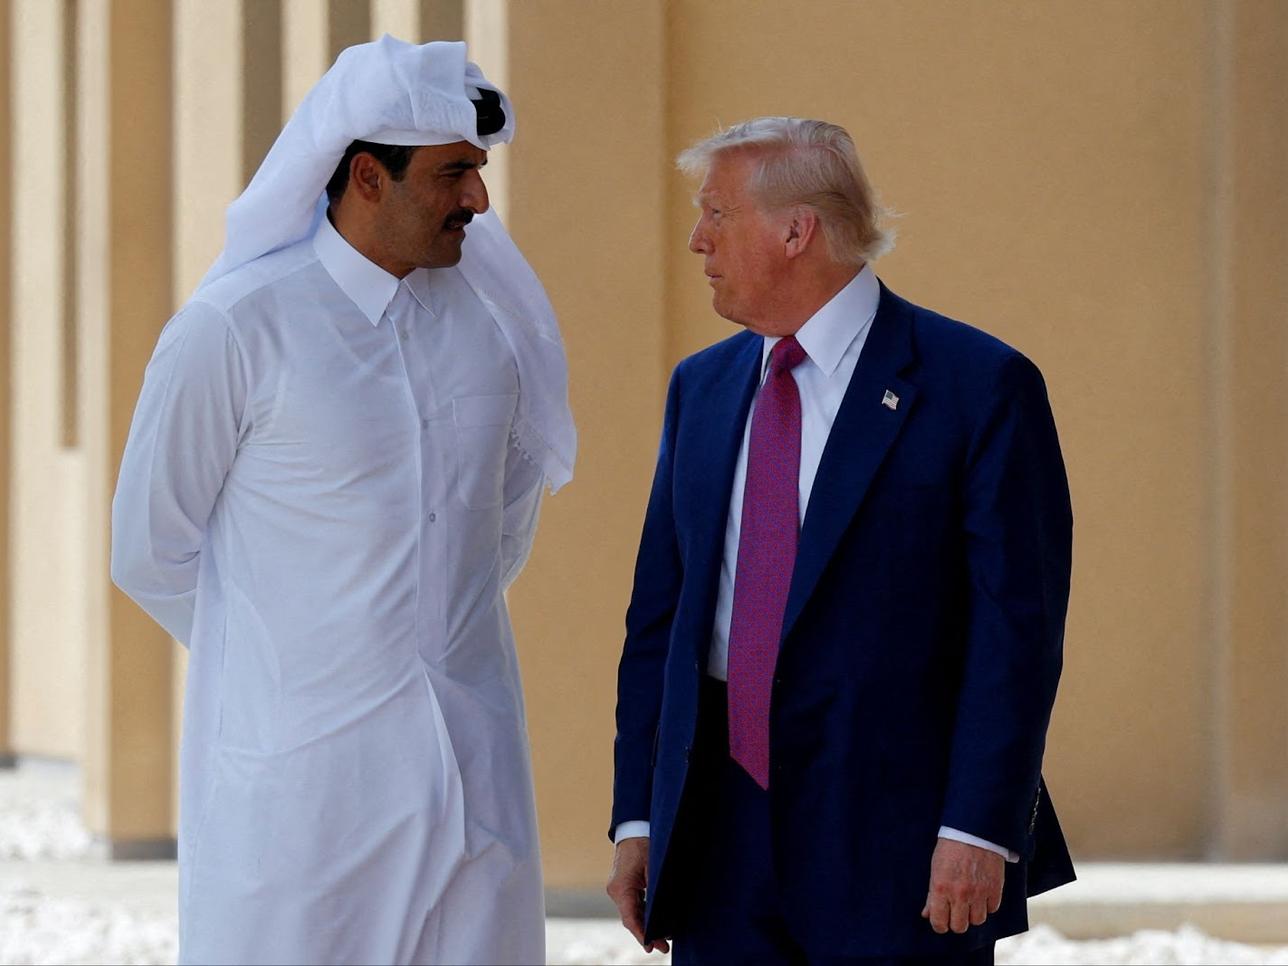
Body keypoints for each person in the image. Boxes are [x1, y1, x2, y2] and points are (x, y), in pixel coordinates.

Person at [111, 37, 574, 966]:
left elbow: (500, 529)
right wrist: (293, 663)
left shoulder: (490, 331)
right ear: (367, 176)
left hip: (471, 785)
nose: (479, 201)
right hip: (304, 807)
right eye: (452, 175)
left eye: (478, 172)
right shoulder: (236, 328)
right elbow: (149, 552)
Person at [606, 117, 1075, 965]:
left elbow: (1017, 632)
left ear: (797, 231)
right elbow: (659, 621)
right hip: (718, 844)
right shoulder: (701, 388)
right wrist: (639, 818)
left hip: (900, 847)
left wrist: (978, 828)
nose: (697, 239)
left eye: (716, 213)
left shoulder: (978, 385)